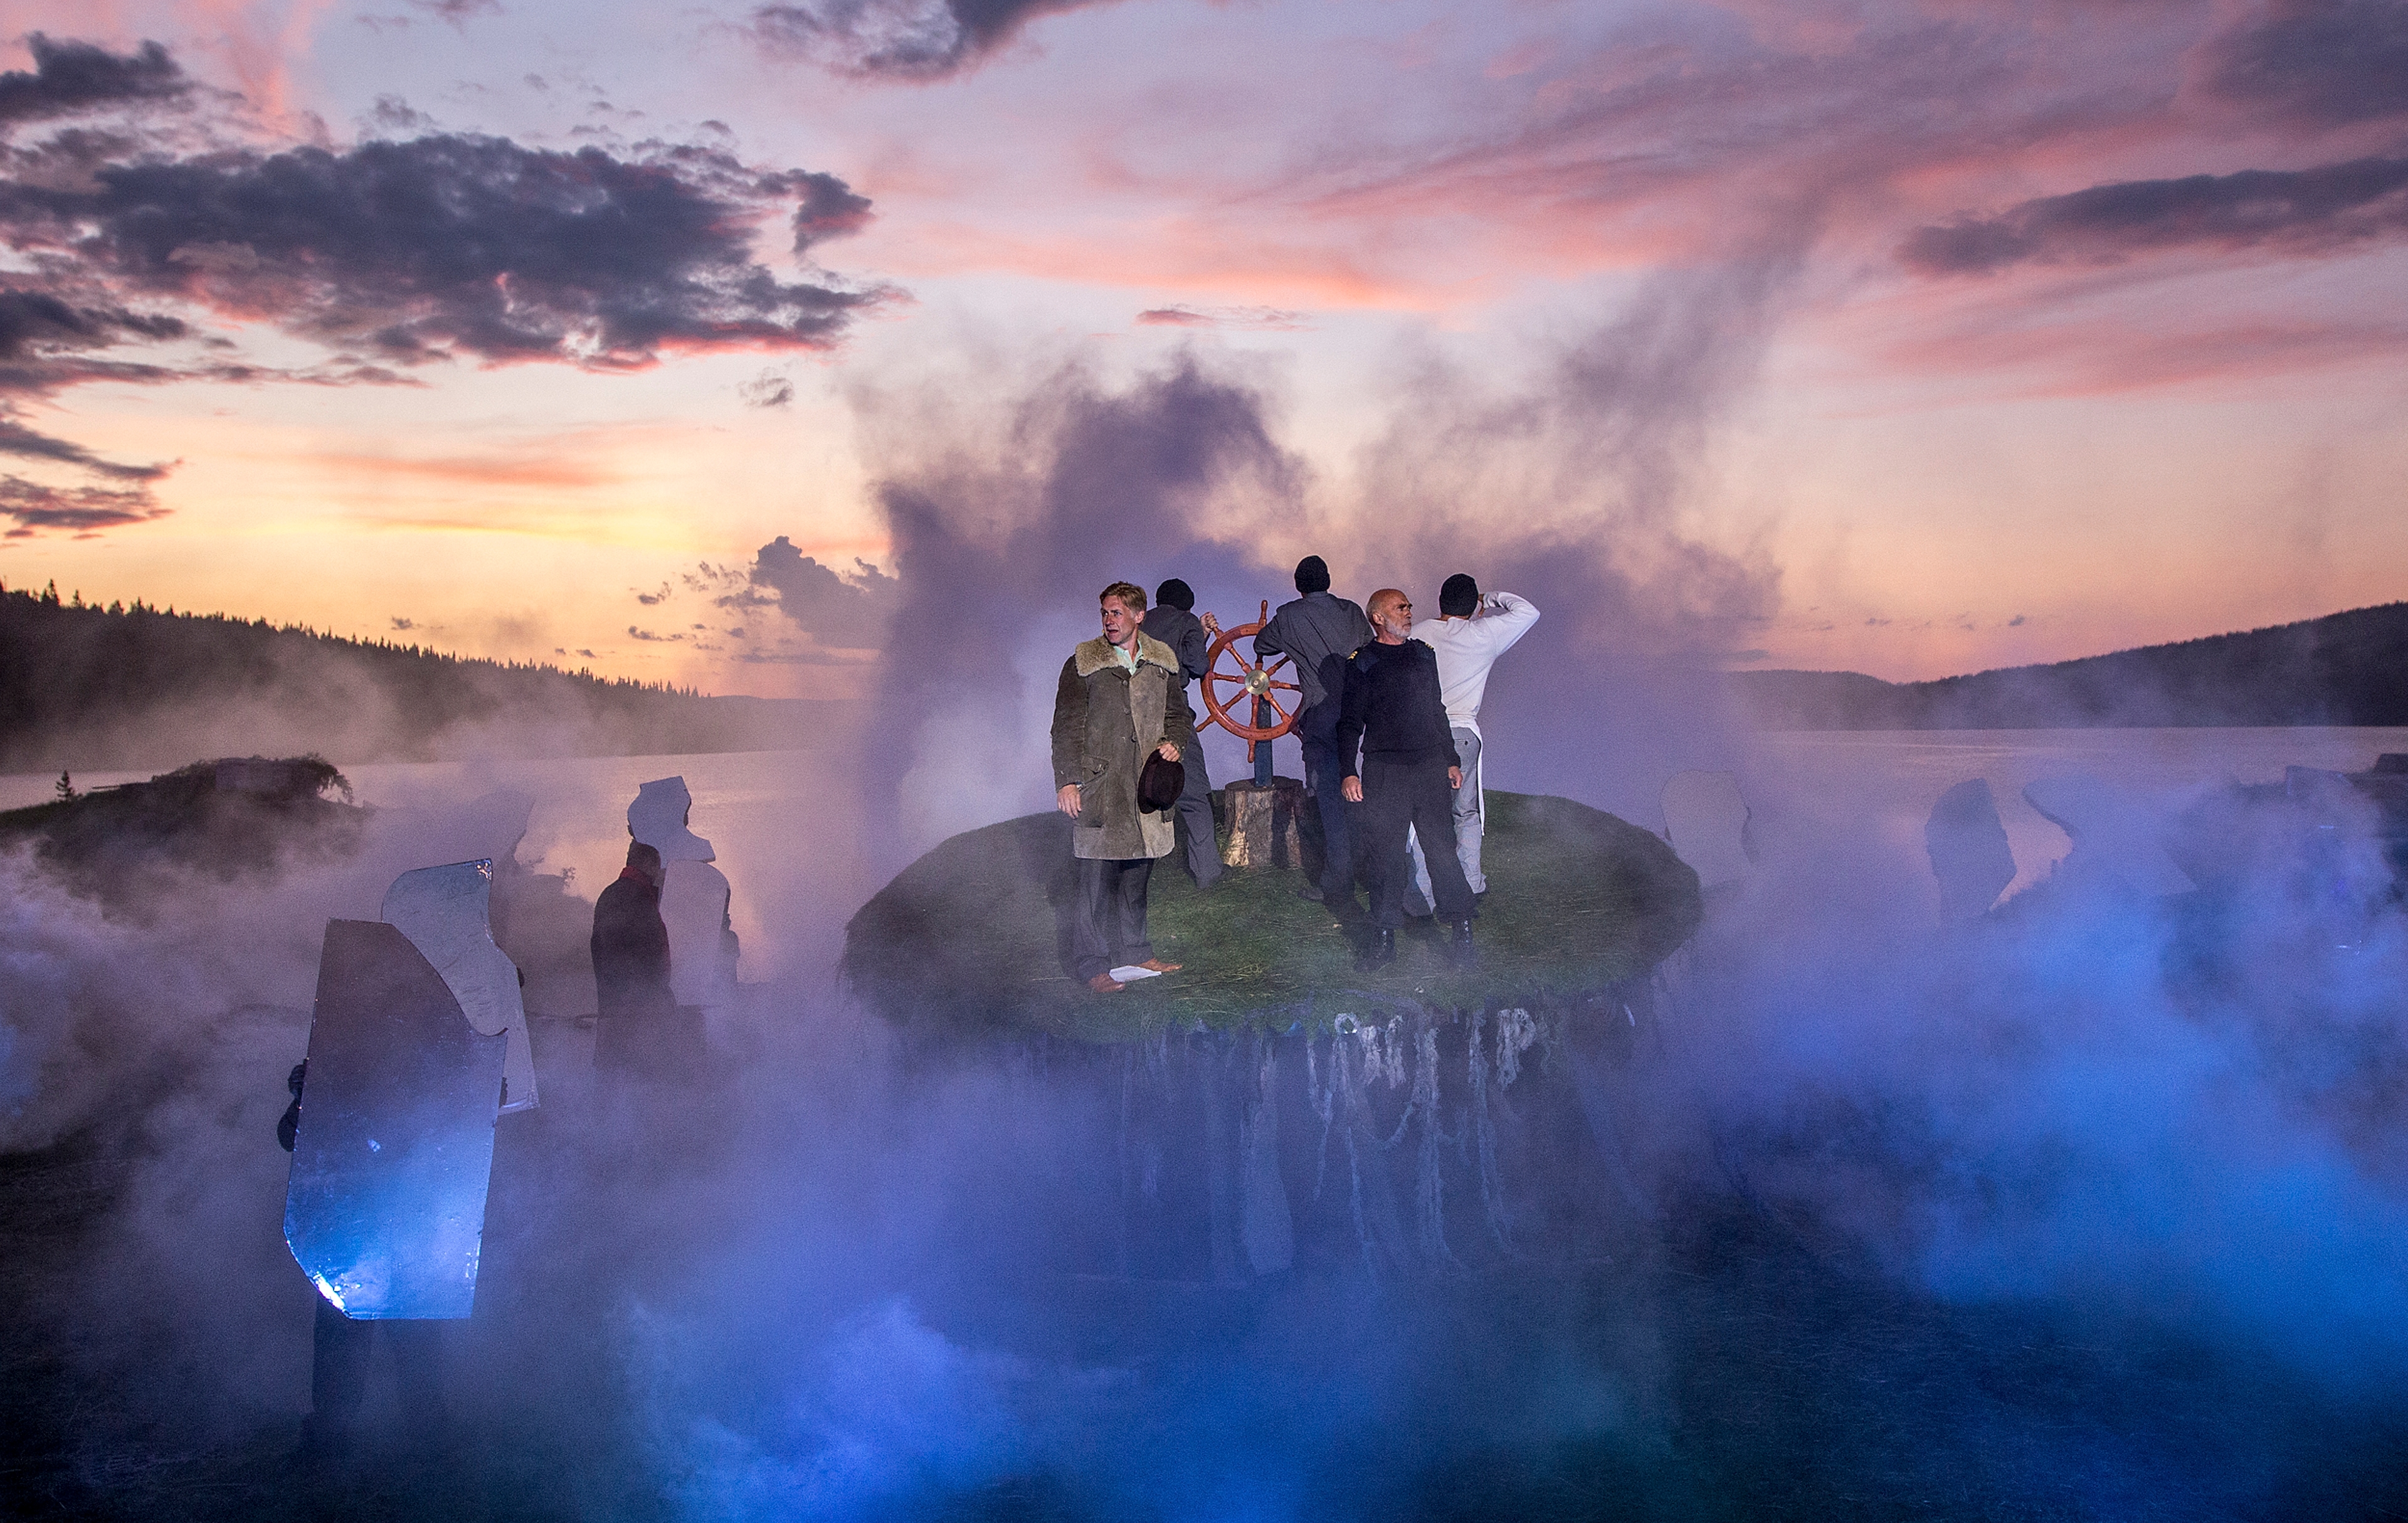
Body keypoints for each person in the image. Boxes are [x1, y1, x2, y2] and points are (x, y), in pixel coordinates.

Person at [1052, 581, 1199, 993]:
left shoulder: (1162, 659)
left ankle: (1136, 952)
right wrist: (1067, 780)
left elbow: (1179, 714)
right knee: (1094, 883)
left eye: (1116, 613)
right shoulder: (1083, 662)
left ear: (1139, 615)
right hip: (1102, 787)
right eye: (1104, 612)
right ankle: (1093, 965)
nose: (1108, 620)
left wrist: (1175, 742)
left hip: (1147, 787)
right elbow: (1066, 726)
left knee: (1137, 875)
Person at [1336, 588, 1477, 968]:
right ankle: (1384, 941)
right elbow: (1349, 723)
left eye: (1409, 606)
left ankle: (1462, 935)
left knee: (1442, 852)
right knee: (1386, 858)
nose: (1409, 611)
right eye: (1401, 607)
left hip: (1430, 768)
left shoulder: (1423, 654)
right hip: (1385, 772)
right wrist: (1349, 771)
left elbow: (1436, 709)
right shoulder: (1362, 663)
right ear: (1378, 617)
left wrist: (1450, 759)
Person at [1245, 556, 1373, 906]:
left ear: (1299, 586)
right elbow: (1369, 648)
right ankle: (1373, 871)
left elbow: (1261, 645)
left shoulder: (1289, 616)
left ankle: (1337, 883)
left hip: (1323, 717)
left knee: (1332, 799)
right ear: (1329, 580)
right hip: (1362, 712)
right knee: (1365, 789)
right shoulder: (1352, 611)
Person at [1405, 575, 1539, 906]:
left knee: (1422, 815)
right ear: (1473, 606)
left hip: (1422, 734)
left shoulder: (1416, 634)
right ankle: (1471, 884)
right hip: (1463, 734)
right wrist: (1489, 598)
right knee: (1464, 813)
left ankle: (1422, 896)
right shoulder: (1484, 635)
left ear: (1440, 600)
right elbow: (1528, 612)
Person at [1143, 578, 1223, 890]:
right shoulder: (1186, 620)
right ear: (1187, 604)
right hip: (1172, 715)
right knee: (1194, 795)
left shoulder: (1140, 620)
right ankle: (1208, 873)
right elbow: (1198, 665)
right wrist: (1198, 635)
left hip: (1136, 716)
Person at [590, 841, 673, 1076]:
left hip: (620, 1002)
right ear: (648, 864)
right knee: (633, 1071)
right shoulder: (634, 896)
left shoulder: (615, 893)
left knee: (620, 1069)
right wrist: (649, 992)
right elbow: (638, 949)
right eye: (658, 866)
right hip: (633, 1005)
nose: (659, 873)